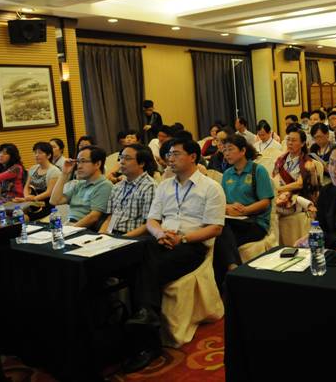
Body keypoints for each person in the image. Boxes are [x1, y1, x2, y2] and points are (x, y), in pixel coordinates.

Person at [123, 138, 225, 373]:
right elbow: (152, 220)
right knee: (140, 253)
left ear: (193, 157)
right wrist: (160, 233)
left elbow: (215, 228)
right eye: (168, 154)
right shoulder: (165, 186)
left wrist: (183, 239)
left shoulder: (210, 187)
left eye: (176, 154)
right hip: (161, 241)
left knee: (142, 267)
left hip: (192, 246)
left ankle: (146, 339)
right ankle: (147, 319)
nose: (170, 158)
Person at [215, 135, 275, 284]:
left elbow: (265, 202)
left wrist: (245, 210)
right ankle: (233, 272)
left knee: (220, 238)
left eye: (230, 149)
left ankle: (231, 279)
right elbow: (222, 202)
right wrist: (228, 207)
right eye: (224, 150)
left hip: (255, 223)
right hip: (233, 222)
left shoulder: (257, 170)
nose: (226, 154)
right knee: (219, 235)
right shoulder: (227, 174)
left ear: (243, 151)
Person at [99, 144, 157, 237]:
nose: (122, 162)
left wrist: (122, 239)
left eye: (127, 158)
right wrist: (101, 235)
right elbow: (110, 217)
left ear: (141, 163)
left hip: (134, 238)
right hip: (113, 235)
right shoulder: (117, 186)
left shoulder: (150, 187)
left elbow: (148, 224)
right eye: (121, 158)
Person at [50, 145, 113, 229]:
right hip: (70, 225)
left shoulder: (104, 185)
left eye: (83, 161)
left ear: (97, 164)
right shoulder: (79, 184)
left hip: (83, 229)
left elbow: (93, 217)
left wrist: (71, 230)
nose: (79, 166)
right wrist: (64, 174)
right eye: (78, 162)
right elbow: (54, 201)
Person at [14, 142, 61, 220]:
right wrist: (27, 197)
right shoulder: (33, 168)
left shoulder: (54, 171)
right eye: (35, 152)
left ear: (49, 155)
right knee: (15, 214)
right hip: (32, 202)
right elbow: (26, 187)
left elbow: (49, 192)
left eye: (40, 153)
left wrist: (33, 198)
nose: (36, 155)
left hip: (47, 204)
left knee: (22, 218)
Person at [273, 125, 318, 201]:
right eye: (288, 140)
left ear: (302, 143)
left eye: (293, 140)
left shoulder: (307, 162)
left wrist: (279, 189)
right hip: (280, 195)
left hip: (298, 197)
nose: (290, 143)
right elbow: (275, 176)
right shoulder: (281, 159)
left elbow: (299, 184)